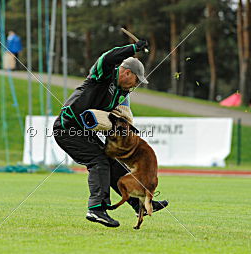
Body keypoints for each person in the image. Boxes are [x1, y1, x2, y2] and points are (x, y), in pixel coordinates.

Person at [53, 41, 168, 227]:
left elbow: (114, 122)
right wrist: (133, 48)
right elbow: (108, 57)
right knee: (98, 161)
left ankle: (139, 202)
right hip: (67, 128)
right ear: (126, 73)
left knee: (113, 163)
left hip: (84, 131)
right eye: (136, 80)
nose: (136, 84)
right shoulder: (103, 75)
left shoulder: (122, 95)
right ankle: (96, 209)